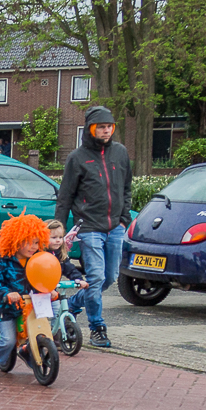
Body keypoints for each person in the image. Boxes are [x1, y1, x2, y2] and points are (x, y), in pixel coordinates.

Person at [55, 105, 132, 349]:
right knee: (96, 276)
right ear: (91, 129)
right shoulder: (77, 158)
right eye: (101, 127)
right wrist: (57, 232)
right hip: (89, 227)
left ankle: (74, 304)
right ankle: (97, 327)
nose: (106, 131)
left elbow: (127, 187)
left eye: (109, 126)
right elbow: (65, 197)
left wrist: (124, 218)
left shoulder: (120, 153)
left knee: (109, 278)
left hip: (115, 226)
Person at [0, 213, 55, 378]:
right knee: (8, 340)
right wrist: (7, 293)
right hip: (8, 308)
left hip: (30, 306)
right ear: (16, 240)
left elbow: (42, 279)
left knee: (38, 332)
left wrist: (49, 290)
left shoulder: (37, 260)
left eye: (36, 242)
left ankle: (28, 351)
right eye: (29, 242)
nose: (33, 247)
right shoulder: (2, 260)